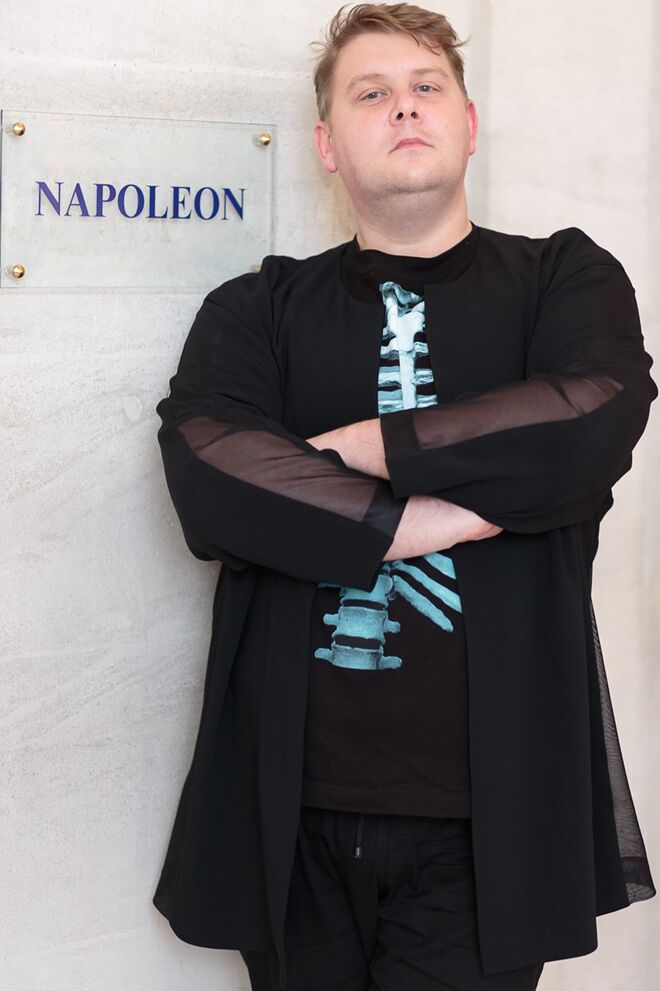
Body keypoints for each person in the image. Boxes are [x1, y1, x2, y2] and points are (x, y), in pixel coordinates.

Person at [151, 4, 657, 990]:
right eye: (371, 93)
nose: (404, 108)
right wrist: (446, 515)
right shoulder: (256, 308)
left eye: (427, 87)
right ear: (327, 145)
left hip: (492, 818)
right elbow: (211, 471)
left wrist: (363, 448)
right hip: (290, 808)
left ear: (469, 121)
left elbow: (593, 409)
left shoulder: (564, 277)